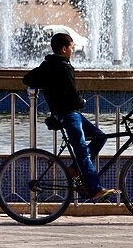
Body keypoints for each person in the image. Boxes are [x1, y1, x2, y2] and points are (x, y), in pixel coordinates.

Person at [23, 31, 113, 201]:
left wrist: (47, 82)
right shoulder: (64, 66)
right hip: (69, 114)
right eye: (72, 47)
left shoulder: (48, 65)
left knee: (100, 137)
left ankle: (74, 170)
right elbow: (73, 95)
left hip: (63, 113)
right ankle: (95, 189)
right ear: (64, 49)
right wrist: (83, 102)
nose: (73, 51)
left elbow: (28, 79)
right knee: (82, 152)